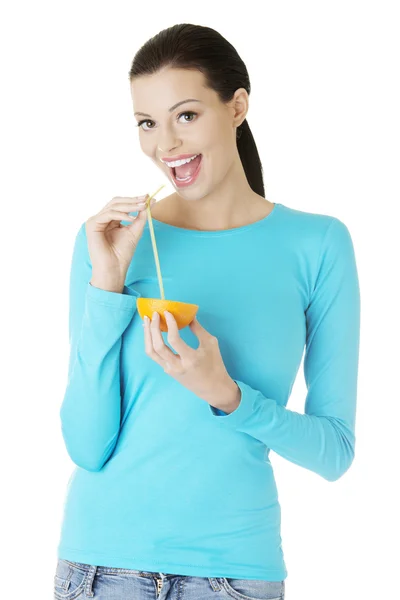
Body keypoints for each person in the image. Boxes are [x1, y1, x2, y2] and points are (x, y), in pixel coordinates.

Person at [54, 23, 360, 600]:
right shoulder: (114, 243)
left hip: (234, 575)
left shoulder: (317, 244)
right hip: (100, 567)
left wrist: (229, 396)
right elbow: (85, 444)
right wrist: (107, 287)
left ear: (237, 106)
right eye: (147, 123)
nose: (164, 144)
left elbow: (334, 451)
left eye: (186, 115)